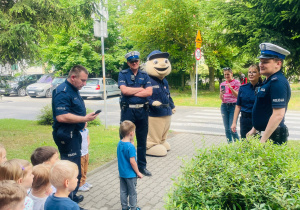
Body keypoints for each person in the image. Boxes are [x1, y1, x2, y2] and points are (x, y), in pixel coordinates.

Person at [52, 65, 99, 204]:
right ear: (73, 77)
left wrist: (82, 121)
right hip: (66, 135)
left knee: (75, 168)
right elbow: (61, 116)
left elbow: (74, 111)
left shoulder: (73, 89)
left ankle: (73, 196)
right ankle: (68, 201)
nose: (84, 84)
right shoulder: (62, 91)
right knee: (70, 170)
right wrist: (84, 119)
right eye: (83, 81)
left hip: (75, 134)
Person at [247, 43, 291, 145]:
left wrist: (263, 140)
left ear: (278, 64)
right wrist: (254, 129)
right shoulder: (268, 81)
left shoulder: (278, 82)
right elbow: (263, 108)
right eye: (261, 61)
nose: (261, 65)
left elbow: (278, 115)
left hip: (272, 137)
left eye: (265, 62)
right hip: (265, 135)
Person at [118, 51, 153, 176]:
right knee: (126, 140)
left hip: (142, 111)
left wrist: (131, 91)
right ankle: (126, 167)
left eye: (136, 61)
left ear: (139, 61)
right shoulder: (122, 74)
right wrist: (140, 89)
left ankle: (142, 166)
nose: (134, 63)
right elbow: (124, 91)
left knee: (142, 140)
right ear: (128, 63)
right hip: (128, 111)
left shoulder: (145, 74)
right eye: (132, 61)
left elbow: (149, 92)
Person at [231, 65, 262, 139]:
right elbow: (238, 106)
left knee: (255, 143)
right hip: (244, 120)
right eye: (249, 72)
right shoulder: (243, 88)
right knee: (244, 142)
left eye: (254, 72)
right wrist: (234, 122)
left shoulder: (263, 87)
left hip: (257, 119)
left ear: (259, 74)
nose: (251, 74)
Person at [117, 120, 143, 210]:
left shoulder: (120, 143)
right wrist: (138, 172)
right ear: (131, 133)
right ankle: (133, 208)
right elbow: (133, 162)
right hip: (130, 175)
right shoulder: (130, 147)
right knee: (132, 192)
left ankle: (124, 207)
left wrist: (131, 143)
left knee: (123, 191)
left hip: (122, 173)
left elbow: (123, 153)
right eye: (134, 132)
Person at [219, 67, 241, 143]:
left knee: (232, 129)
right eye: (225, 74)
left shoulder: (237, 83)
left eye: (228, 74)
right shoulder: (222, 84)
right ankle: (230, 147)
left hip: (233, 106)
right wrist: (221, 94)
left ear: (231, 74)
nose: (226, 76)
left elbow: (238, 96)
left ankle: (239, 147)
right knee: (227, 129)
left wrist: (231, 89)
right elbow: (221, 98)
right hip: (224, 106)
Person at [78, 122, 93, 192]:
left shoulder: (86, 130)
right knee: (81, 170)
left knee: (85, 169)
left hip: (86, 152)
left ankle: (84, 182)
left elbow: (88, 138)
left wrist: (87, 145)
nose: (85, 123)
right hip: (80, 154)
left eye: (86, 122)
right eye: (84, 122)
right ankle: (80, 185)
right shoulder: (77, 131)